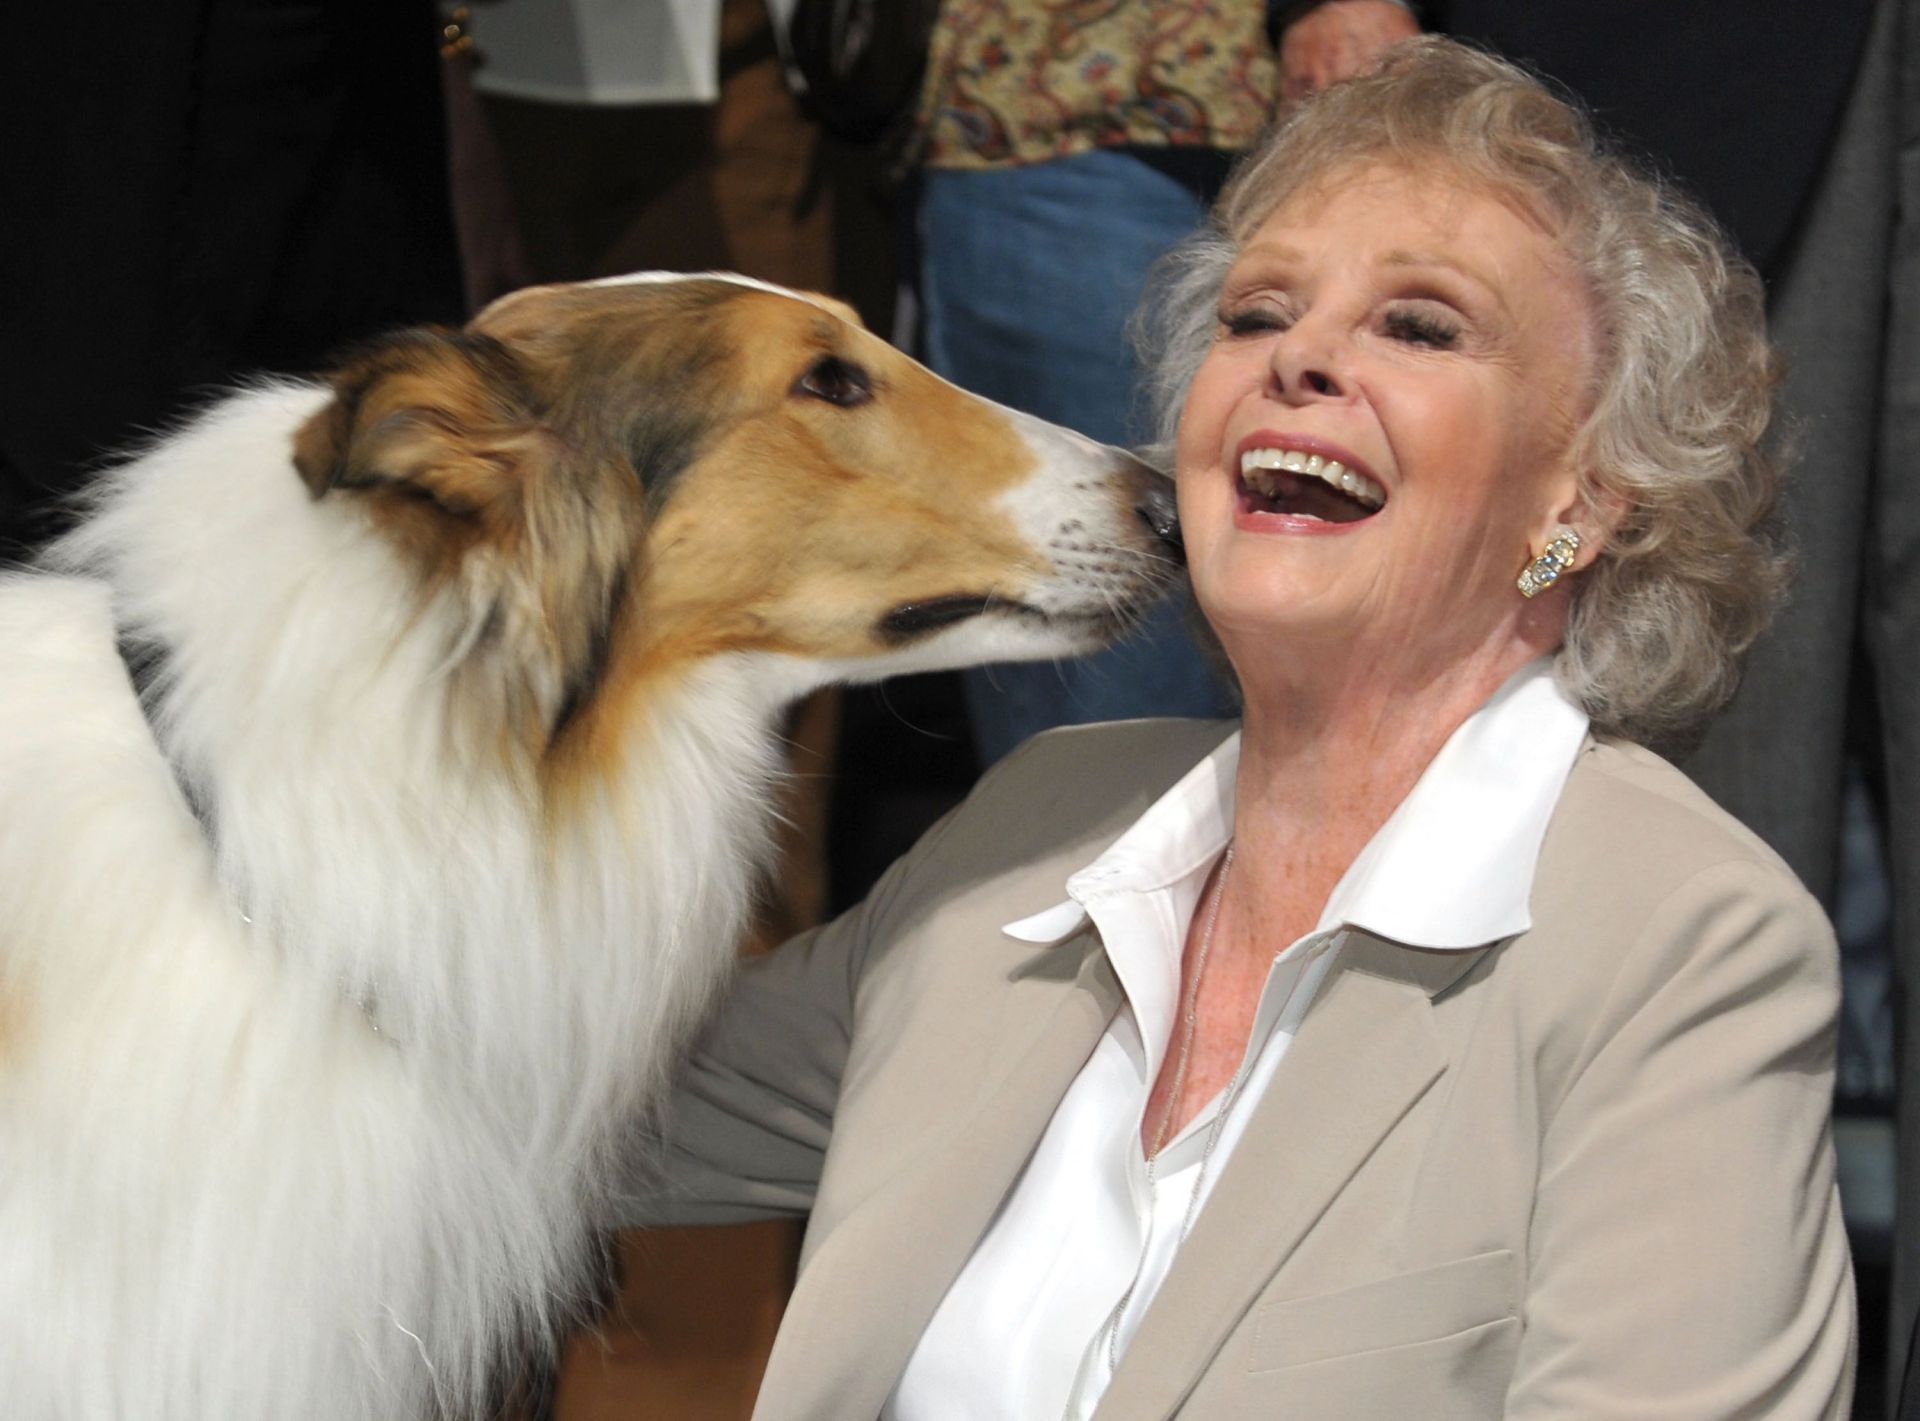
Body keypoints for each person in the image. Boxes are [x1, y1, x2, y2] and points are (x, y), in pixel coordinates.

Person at [624, 40, 1855, 1418]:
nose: (1302, 359)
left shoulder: (1684, 943)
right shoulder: (1039, 827)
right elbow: (557, 1113)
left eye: (1420, 327)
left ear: (1585, 500)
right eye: (1257, 315)